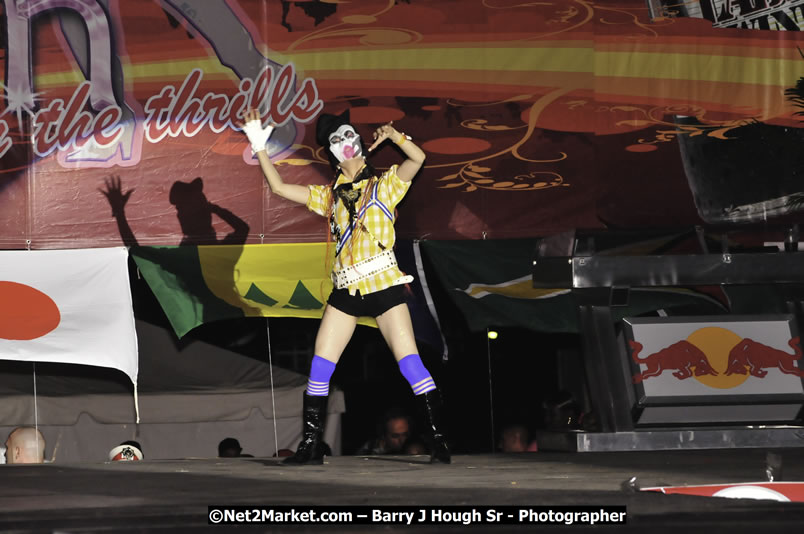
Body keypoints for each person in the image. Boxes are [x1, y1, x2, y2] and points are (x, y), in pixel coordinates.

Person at [240, 107, 450, 465]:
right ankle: (310, 446)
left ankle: (439, 441)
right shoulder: (328, 196)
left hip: (384, 286)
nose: (345, 142)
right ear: (332, 153)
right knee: (321, 367)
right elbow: (277, 187)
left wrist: (396, 137)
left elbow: (419, 157)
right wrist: (259, 143)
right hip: (346, 292)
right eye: (337, 139)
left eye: (350, 135)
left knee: (410, 364)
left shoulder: (386, 186)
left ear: (362, 144)